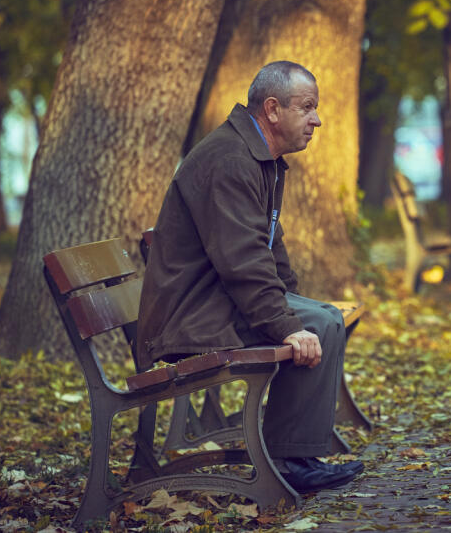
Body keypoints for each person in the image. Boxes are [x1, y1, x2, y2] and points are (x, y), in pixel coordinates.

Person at [137, 61, 362, 494]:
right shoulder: (230, 160)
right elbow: (242, 261)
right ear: (273, 109)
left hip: (212, 301)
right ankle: (290, 462)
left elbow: (269, 249)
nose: (317, 119)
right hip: (190, 318)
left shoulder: (258, 157)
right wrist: (289, 325)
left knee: (321, 317)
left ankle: (294, 454)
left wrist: (292, 305)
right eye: (308, 108)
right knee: (320, 324)